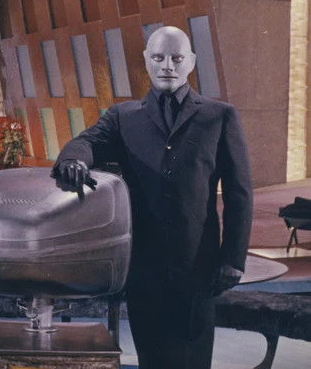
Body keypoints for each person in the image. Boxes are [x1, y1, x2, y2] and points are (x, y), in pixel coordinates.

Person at [53, 26, 252, 369]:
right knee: (151, 359)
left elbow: (239, 193)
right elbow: (84, 143)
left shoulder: (219, 116)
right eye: (158, 58)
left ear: (191, 61)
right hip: (143, 266)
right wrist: (73, 160)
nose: (167, 66)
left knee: (193, 361)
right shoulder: (122, 117)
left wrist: (233, 259)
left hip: (199, 264)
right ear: (146, 60)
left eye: (176, 58)